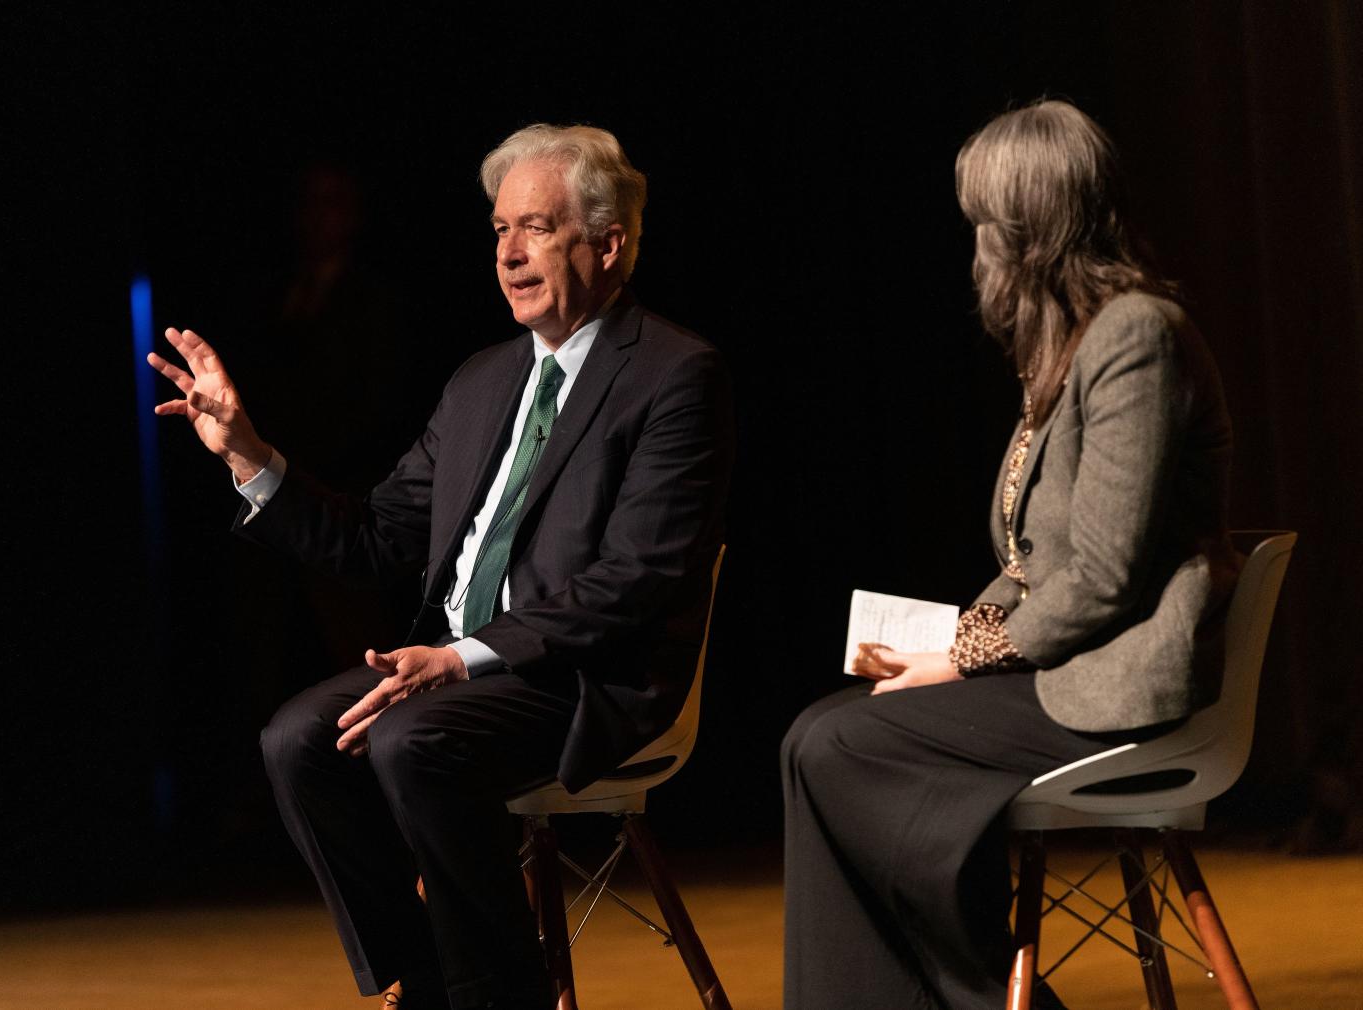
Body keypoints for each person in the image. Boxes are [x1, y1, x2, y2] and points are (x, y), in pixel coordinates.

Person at [149, 124, 734, 1010]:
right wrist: (249, 455)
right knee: (299, 739)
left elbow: (637, 578)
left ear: (609, 242)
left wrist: (463, 657)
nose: (507, 254)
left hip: (578, 678)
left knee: (411, 738)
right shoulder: (482, 381)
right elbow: (376, 536)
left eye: (535, 227)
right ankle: (431, 981)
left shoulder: (674, 375)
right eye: (498, 230)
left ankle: (494, 993)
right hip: (459, 674)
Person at [781, 99, 1237, 1010]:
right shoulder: (1062, 350)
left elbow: (1105, 575)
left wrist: (968, 656)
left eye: (985, 223)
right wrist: (950, 639)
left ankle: (977, 993)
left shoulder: (1134, 336)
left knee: (837, 745)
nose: (977, 246)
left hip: (1118, 683)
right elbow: (1036, 560)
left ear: (1030, 230)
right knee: (813, 736)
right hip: (1064, 664)